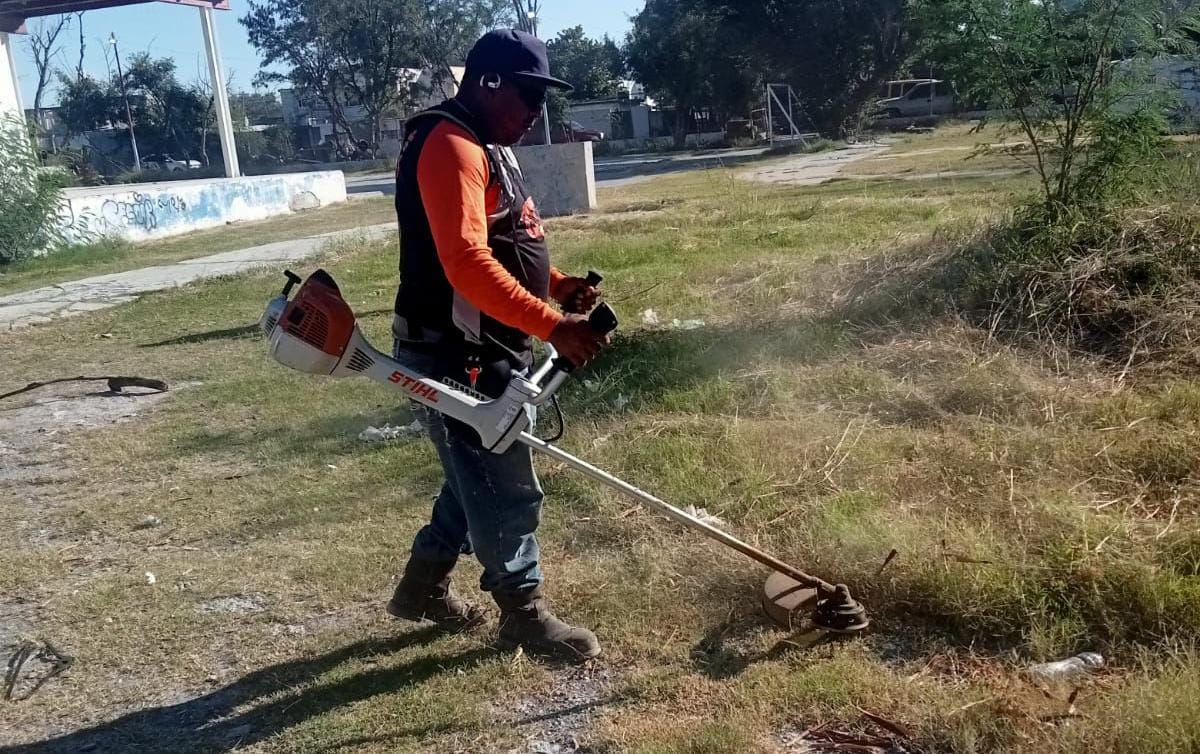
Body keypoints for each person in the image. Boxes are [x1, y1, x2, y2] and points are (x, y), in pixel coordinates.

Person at [385, 29, 610, 662]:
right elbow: (465, 263)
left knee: (472, 475)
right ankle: (523, 613)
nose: (538, 111)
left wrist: (557, 285)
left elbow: (508, 238)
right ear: (488, 83)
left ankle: (422, 585)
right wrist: (551, 324)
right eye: (529, 95)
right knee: (505, 485)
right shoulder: (450, 144)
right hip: (457, 353)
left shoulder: (485, 142)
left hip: (484, 343)